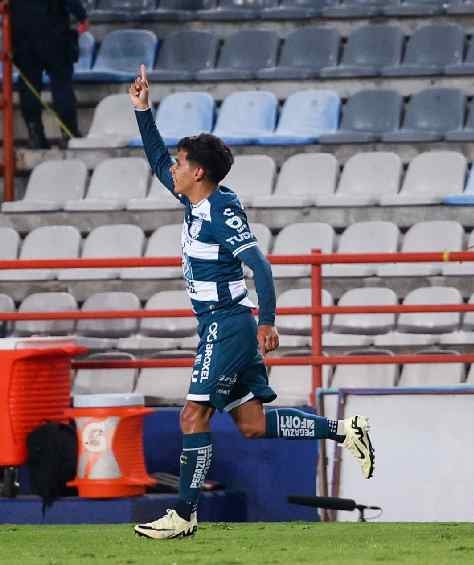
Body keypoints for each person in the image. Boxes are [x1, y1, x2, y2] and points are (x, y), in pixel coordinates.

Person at [127, 66, 375, 540]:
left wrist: (269, 322)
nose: (172, 170)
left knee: (192, 414)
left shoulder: (219, 213)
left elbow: (259, 266)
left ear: (197, 172)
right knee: (253, 424)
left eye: (181, 164)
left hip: (228, 324)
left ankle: (183, 513)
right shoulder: (197, 200)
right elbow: (158, 158)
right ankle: (346, 430)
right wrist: (143, 110)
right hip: (221, 325)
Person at [11, 0, 87, 149]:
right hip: (53, 29)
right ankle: (69, 134)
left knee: (28, 86)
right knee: (61, 84)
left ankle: (35, 136)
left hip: (22, 33)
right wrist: (81, 16)